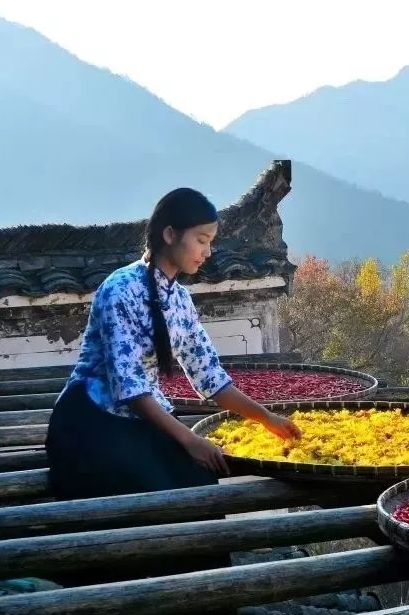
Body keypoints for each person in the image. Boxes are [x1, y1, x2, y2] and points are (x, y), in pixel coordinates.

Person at [46, 187, 302, 501]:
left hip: (143, 418)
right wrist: (190, 440)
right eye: (202, 240)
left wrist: (267, 418)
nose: (208, 252)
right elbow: (130, 388)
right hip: (93, 421)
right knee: (156, 494)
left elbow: (211, 377)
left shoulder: (180, 300)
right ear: (170, 234)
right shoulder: (119, 289)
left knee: (201, 483)